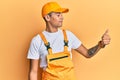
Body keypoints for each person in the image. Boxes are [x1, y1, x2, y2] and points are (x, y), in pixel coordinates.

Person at [27, 2, 111, 80]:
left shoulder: (68, 36)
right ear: (47, 17)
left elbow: (88, 54)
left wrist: (101, 44)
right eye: (58, 15)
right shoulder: (37, 41)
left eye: (61, 15)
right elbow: (33, 72)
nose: (62, 17)